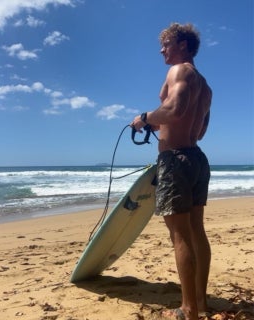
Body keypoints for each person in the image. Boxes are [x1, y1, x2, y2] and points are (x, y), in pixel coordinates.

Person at [130, 23, 212, 320]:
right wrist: (157, 123)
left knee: (180, 235)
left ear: (183, 45)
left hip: (175, 161)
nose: (162, 50)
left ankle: (188, 309)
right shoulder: (206, 86)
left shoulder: (179, 71)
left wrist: (143, 118)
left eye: (166, 44)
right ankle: (200, 302)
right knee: (196, 231)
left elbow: (175, 110)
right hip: (197, 159)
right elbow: (199, 130)